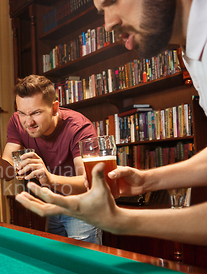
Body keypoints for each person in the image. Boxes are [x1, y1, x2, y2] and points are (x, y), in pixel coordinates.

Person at [16, 0, 207, 246]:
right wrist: (146, 180)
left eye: (112, 1)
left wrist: (120, 220)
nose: (107, 24)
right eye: (101, 11)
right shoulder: (191, 51)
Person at [0, 75, 101, 243]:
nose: (28, 122)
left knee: (86, 266)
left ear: (54, 108)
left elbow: (89, 184)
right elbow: (7, 173)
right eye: (22, 113)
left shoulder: (80, 128)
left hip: (82, 206)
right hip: (51, 203)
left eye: (36, 113)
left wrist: (49, 179)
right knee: (54, 261)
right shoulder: (17, 122)